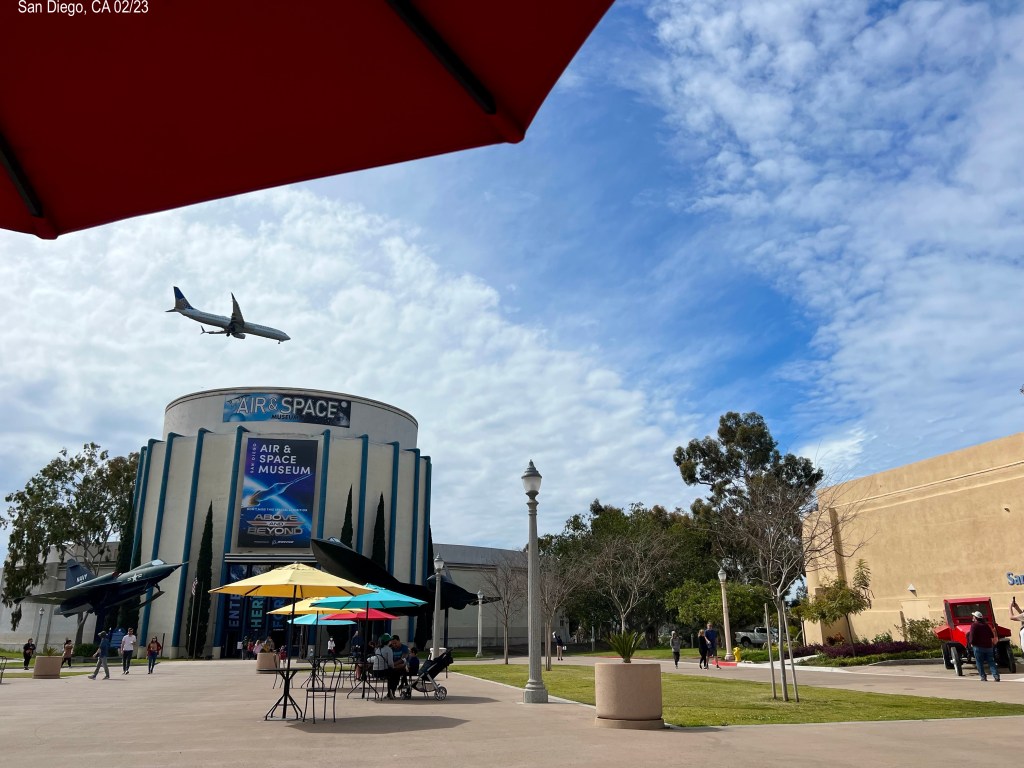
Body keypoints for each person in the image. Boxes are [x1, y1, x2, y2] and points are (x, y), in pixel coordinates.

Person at [967, 610, 1000, 682]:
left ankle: (983, 676)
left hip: (978, 647)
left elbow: (972, 635)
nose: (972, 617)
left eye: (973, 616)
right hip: (988, 647)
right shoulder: (986, 625)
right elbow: (991, 635)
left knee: (979, 662)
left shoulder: (974, 625)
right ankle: (996, 676)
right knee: (991, 662)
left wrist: (971, 643)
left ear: (975, 618)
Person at [373, 633, 401, 699]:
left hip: (375, 671)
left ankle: (390, 692)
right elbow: (390, 663)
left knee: (391, 674)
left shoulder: (377, 649)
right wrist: (395, 666)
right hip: (383, 671)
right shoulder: (388, 649)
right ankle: (391, 691)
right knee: (396, 673)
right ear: (388, 642)